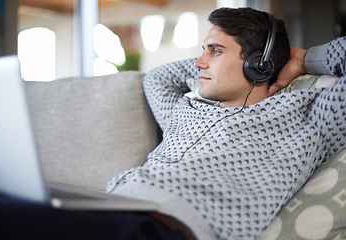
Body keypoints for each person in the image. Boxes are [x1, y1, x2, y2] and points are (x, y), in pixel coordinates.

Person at [106, 7, 346, 240]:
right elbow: (158, 78)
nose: (199, 62)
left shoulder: (309, 120)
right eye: (204, 50)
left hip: (167, 225)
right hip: (110, 204)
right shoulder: (182, 111)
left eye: (216, 51)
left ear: (258, 64)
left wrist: (305, 59)